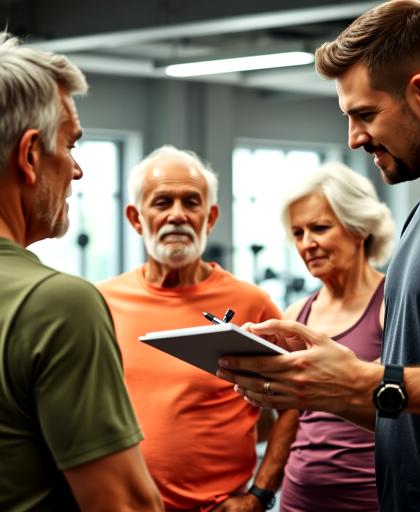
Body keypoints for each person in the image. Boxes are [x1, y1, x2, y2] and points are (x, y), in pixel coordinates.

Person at [216, 1, 420, 510]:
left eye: (365, 115)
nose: (354, 138)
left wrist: (373, 379)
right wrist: (324, 388)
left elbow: (395, 386)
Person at [0, 32, 163, 511]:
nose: (76, 170)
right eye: (70, 145)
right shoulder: (56, 305)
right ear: (30, 155)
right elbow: (125, 505)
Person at [98, 145, 297, 512]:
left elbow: (293, 404)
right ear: (135, 218)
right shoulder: (101, 303)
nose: (178, 215)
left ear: (210, 217)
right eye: (162, 202)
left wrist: (261, 494)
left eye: (191, 202)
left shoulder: (253, 305)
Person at [277, 162, 394, 512]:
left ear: (359, 230)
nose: (307, 244)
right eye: (298, 233)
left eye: (320, 228)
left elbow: (415, 404)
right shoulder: (295, 314)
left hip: (370, 496)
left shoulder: (393, 301)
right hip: (299, 496)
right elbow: (289, 417)